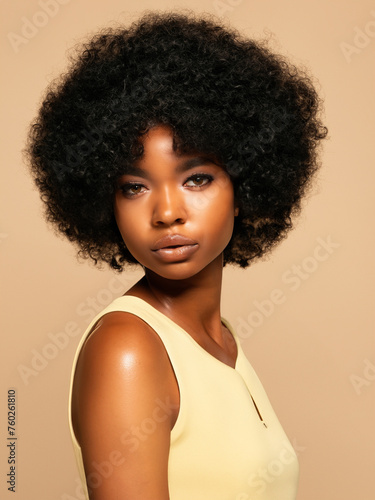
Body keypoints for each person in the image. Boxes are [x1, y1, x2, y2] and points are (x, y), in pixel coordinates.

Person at [27, 11, 327, 500]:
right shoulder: (128, 349)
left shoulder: (221, 341)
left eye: (197, 179)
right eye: (134, 186)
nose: (167, 212)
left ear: (244, 184)